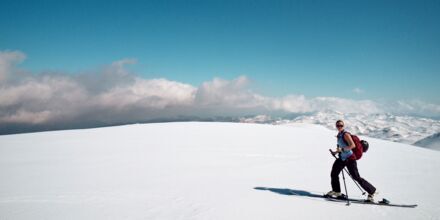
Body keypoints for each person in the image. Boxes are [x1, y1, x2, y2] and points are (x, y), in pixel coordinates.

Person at [326, 120, 377, 202]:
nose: (339, 127)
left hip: (350, 159)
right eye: (338, 125)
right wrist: (335, 152)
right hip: (342, 158)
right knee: (334, 173)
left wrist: (342, 149)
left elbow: (352, 145)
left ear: (343, 126)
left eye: (341, 125)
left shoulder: (346, 134)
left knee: (356, 177)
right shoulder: (339, 135)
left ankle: (372, 191)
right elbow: (341, 147)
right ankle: (336, 191)